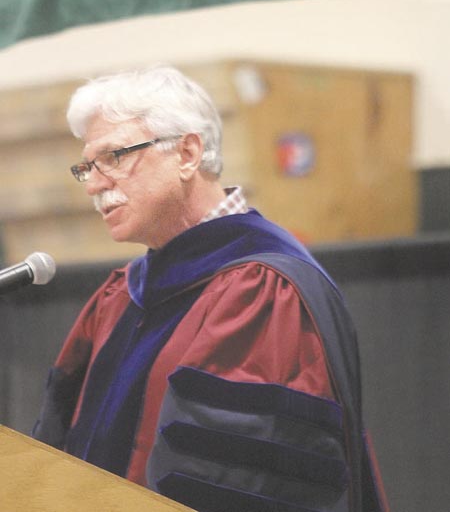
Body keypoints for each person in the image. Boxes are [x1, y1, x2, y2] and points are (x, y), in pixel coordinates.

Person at [33, 65, 388, 512]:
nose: (95, 184)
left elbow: (245, 485)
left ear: (187, 153)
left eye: (115, 157)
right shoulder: (121, 296)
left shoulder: (262, 293)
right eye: (87, 166)